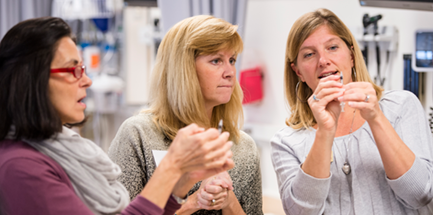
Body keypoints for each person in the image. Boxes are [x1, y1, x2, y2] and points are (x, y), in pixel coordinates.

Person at [0, 17, 235, 215]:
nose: (87, 80)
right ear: (32, 79)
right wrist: (171, 167)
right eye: (73, 70)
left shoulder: (70, 151)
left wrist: (180, 185)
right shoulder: (20, 166)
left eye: (82, 69)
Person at [271, 8, 433, 215]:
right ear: (298, 72)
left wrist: (375, 118)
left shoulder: (402, 106)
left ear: (352, 55)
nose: (323, 60)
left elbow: (421, 195)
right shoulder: (286, 142)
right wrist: (324, 131)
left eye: (332, 47)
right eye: (309, 54)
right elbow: (301, 212)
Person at [108, 15, 263, 215]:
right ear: (184, 69)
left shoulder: (243, 147)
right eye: (216, 60)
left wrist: (229, 201)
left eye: (231, 60)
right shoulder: (139, 135)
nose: (230, 72)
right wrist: (193, 202)